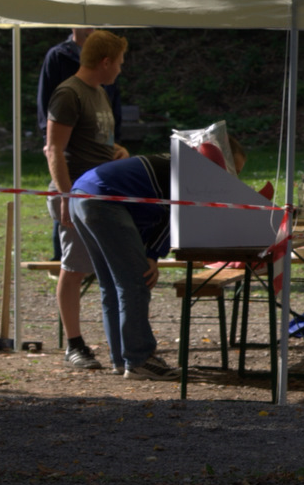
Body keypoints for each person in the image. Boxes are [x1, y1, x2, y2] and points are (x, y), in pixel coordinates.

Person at [71, 133, 248, 381]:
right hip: (104, 199)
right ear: (220, 159)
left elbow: (152, 212)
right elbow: (174, 216)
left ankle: (122, 358)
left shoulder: (179, 165)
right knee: (135, 283)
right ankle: (140, 359)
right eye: (232, 171)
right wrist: (152, 254)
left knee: (112, 284)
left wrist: (150, 253)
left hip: (82, 193)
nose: (233, 179)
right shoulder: (193, 173)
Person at [44, 30, 129, 371]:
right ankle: (74, 344)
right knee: (74, 267)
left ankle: (122, 347)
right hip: (76, 193)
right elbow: (54, 149)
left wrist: (117, 151)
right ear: (105, 62)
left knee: (109, 269)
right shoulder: (68, 93)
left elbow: (97, 140)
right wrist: (67, 196)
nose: (121, 69)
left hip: (101, 193)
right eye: (119, 62)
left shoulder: (99, 92)